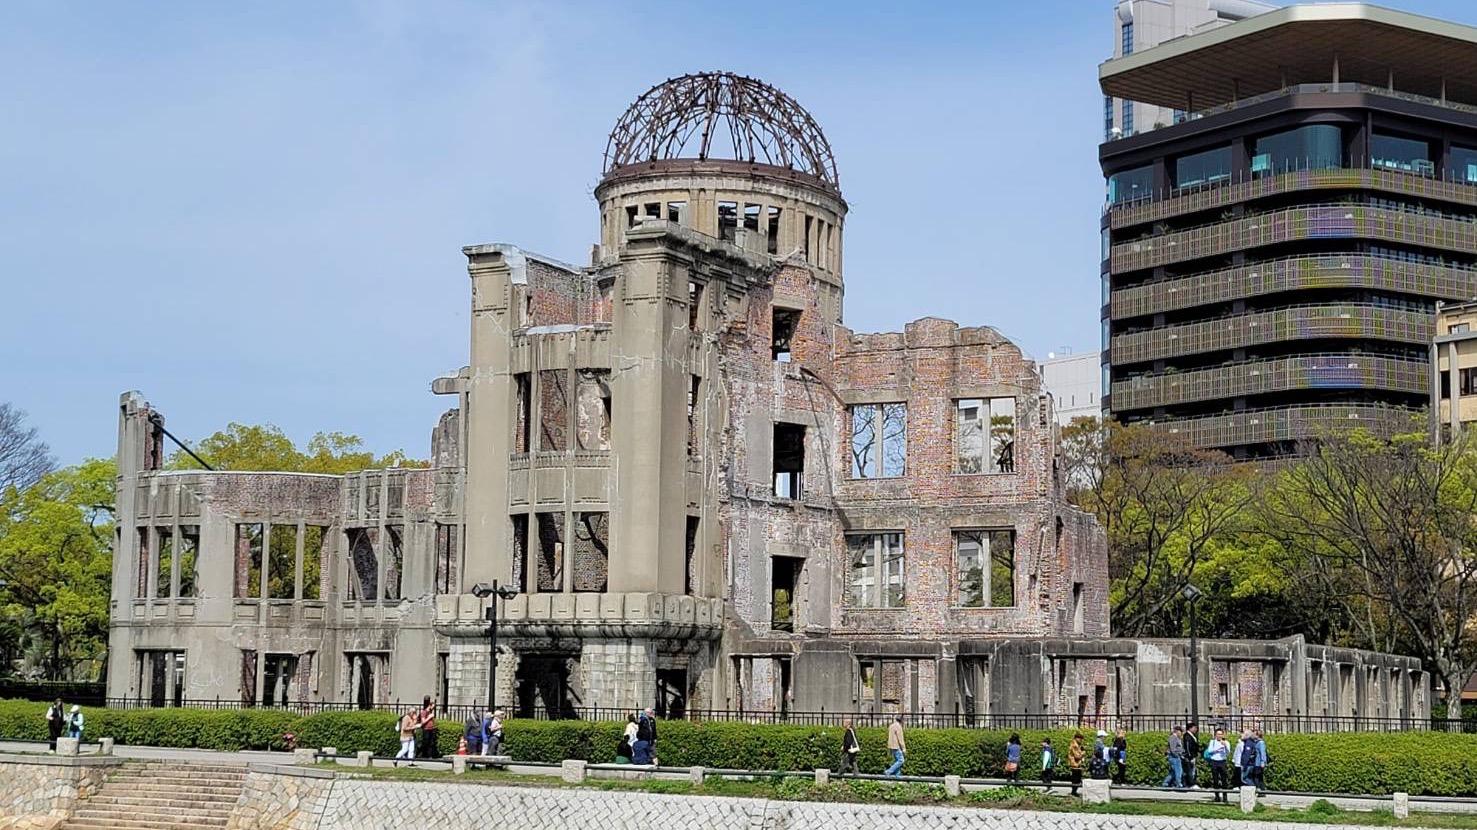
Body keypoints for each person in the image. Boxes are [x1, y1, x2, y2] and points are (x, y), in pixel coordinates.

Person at [1204, 727, 1231, 802]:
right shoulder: (1212, 742)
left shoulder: (1226, 742)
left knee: (1224, 780)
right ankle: (1217, 796)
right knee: (1215, 780)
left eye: (1221, 734)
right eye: (1218, 734)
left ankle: (1225, 797)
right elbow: (1209, 751)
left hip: (1222, 762)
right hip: (1214, 762)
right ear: (1215, 735)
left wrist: (1225, 745)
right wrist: (1217, 749)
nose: (1219, 736)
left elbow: (1228, 752)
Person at [1182, 723, 1200, 788]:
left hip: (1193, 755)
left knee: (1192, 770)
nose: (1196, 729)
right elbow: (1187, 747)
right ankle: (1191, 784)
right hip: (1190, 756)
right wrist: (1190, 756)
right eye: (1194, 728)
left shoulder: (1192, 735)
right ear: (1190, 728)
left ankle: (1191, 783)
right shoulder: (1187, 736)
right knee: (1190, 770)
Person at [1067, 732, 1085, 796]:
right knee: (1076, 779)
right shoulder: (1074, 745)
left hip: (1077, 765)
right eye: (1080, 738)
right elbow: (1077, 756)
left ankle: (1074, 792)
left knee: (1077, 779)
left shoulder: (1078, 745)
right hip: (1075, 765)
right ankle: (1073, 792)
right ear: (1076, 738)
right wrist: (1083, 753)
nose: (1081, 740)